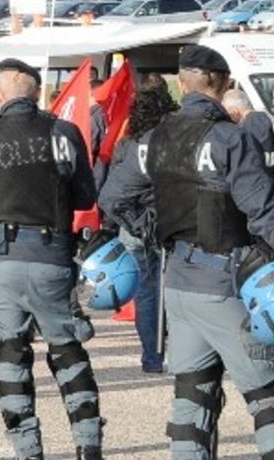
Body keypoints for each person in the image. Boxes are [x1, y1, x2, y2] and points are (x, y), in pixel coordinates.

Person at [101, 44, 274, 459]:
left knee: (191, 402)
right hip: (225, 282)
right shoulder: (231, 140)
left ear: (183, 84)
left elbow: (113, 198)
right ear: (223, 83)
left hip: (177, 282)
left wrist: (156, 231)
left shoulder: (153, 139)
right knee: (267, 397)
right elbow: (263, 211)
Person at [0, 58, 101, 460]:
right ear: (36, 94)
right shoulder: (63, 134)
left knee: (11, 357)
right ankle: (88, 445)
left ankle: (27, 450)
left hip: (1, 262)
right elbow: (86, 196)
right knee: (68, 353)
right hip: (53, 257)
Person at [101, 79, 178, 374]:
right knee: (176, 289)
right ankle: (181, 352)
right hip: (172, 224)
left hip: (136, 227)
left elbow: (111, 195)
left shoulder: (129, 143)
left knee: (146, 293)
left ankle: (151, 356)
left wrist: (134, 223)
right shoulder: (177, 142)